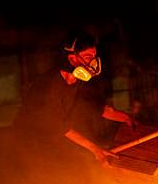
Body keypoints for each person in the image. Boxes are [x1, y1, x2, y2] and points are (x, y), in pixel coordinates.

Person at [49, 28, 135, 164]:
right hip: (39, 152)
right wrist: (95, 149)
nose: (93, 63)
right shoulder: (51, 86)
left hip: (67, 152)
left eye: (94, 57)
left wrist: (127, 119)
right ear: (72, 58)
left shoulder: (80, 83)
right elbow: (60, 127)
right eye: (89, 57)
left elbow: (99, 108)